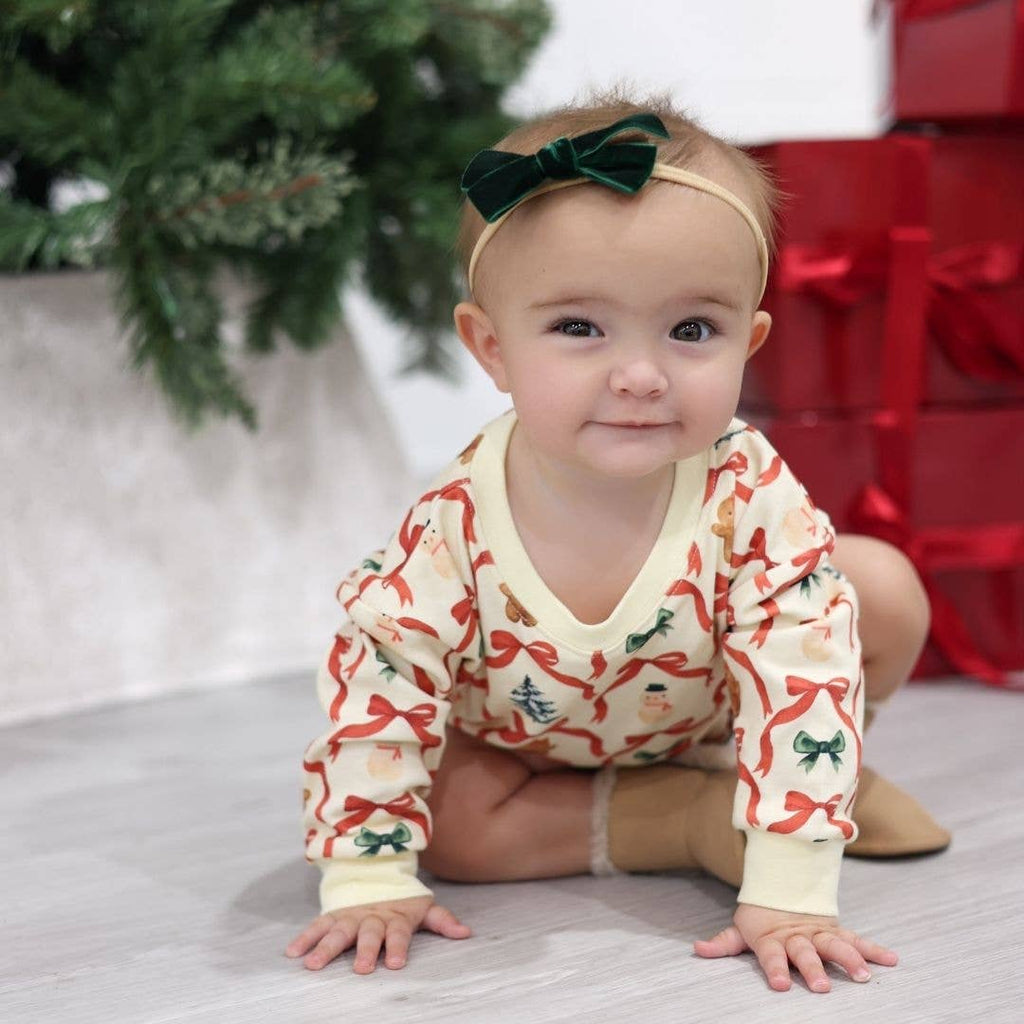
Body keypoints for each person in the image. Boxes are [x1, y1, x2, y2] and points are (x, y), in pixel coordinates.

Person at [285, 91, 949, 992]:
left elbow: (802, 664)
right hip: (529, 750)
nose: (640, 375)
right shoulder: (453, 523)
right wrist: (367, 875)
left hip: (717, 712)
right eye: (577, 328)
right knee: (452, 826)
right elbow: (383, 685)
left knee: (877, 585)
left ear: (748, 343)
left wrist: (791, 889)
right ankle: (683, 822)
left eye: (691, 331)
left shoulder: (745, 490)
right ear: (491, 347)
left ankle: (807, 791)